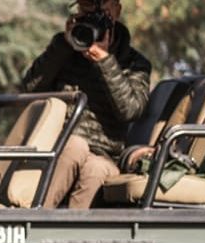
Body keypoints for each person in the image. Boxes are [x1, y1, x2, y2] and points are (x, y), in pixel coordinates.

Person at [22, 0, 150, 208]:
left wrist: (105, 61)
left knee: (96, 169)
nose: (92, 15)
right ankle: (34, 220)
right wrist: (63, 45)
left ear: (116, 11)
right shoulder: (64, 50)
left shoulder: (134, 63)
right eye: (86, 8)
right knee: (75, 145)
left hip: (106, 155)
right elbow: (30, 88)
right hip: (61, 145)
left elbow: (131, 110)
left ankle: (71, 235)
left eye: (101, 11)